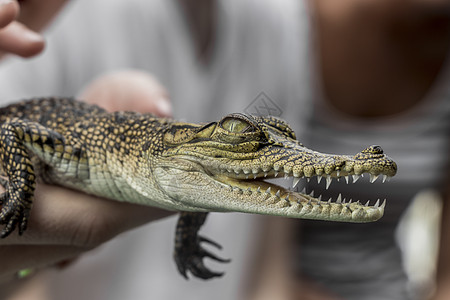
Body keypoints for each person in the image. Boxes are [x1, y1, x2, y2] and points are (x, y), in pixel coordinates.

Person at [0, 0, 449, 300]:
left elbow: (214, 200)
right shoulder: (59, 20)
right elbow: (12, 132)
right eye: (240, 132)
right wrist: (18, 196)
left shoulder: (278, 24)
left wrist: (187, 234)